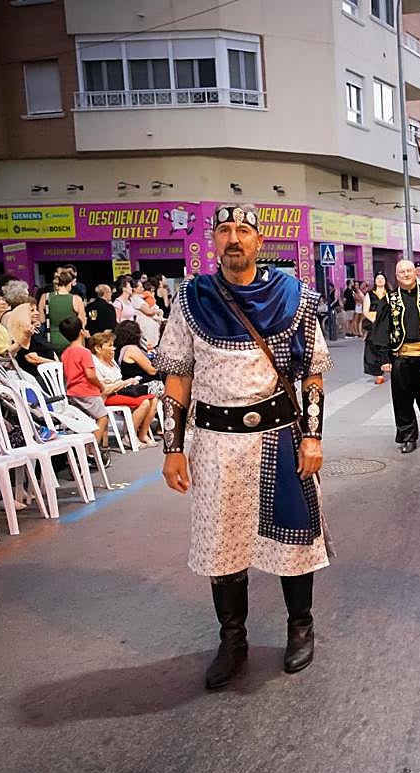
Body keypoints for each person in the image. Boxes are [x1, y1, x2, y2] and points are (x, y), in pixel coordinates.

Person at [154, 203, 334, 690]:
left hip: (280, 437)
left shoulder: (294, 297)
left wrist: (313, 437)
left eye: (243, 231)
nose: (233, 238)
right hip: (216, 444)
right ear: (214, 240)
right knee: (223, 546)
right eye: (224, 230)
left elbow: (312, 374)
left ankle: (301, 626)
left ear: (260, 241)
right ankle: (233, 640)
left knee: (294, 539)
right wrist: (172, 448)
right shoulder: (191, 299)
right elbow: (177, 377)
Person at [370, 259, 420, 453]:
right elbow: (381, 330)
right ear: (396, 276)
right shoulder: (389, 300)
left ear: (415, 272)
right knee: (402, 400)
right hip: (401, 356)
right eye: (401, 272)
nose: (406, 274)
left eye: (409, 271)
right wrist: (384, 358)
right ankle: (408, 436)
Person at [89, 331, 157, 447]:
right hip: (107, 396)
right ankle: (129, 436)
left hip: (120, 391)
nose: (113, 348)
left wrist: (122, 383)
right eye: (109, 346)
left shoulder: (111, 361)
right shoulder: (95, 363)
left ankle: (143, 434)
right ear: (98, 349)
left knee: (153, 399)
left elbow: (116, 380)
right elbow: (104, 389)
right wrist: (124, 382)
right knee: (144, 402)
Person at [58, 316, 111, 460]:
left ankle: (84, 451)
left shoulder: (65, 353)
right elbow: (90, 375)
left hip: (72, 391)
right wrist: (101, 385)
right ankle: (91, 450)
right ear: (81, 332)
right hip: (87, 391)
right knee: (102, 417)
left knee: (83, 423)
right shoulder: (84, 352)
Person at [43, 267, 87, 353]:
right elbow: (82, 322)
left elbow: (41, 320)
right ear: (69, 283)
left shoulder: (45, 297)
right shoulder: (76, 299)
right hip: (72, 340)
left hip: (51, 339)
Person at [363, 273, 390, 384]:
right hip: (373, 324)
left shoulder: (390, 294)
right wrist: (375, 320)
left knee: (387, 347)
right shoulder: (370, 294)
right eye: (377, 278)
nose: (380, 280)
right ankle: (378, 374)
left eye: (382, 278)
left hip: (387, 324)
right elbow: (365, 311)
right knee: (372, 348)